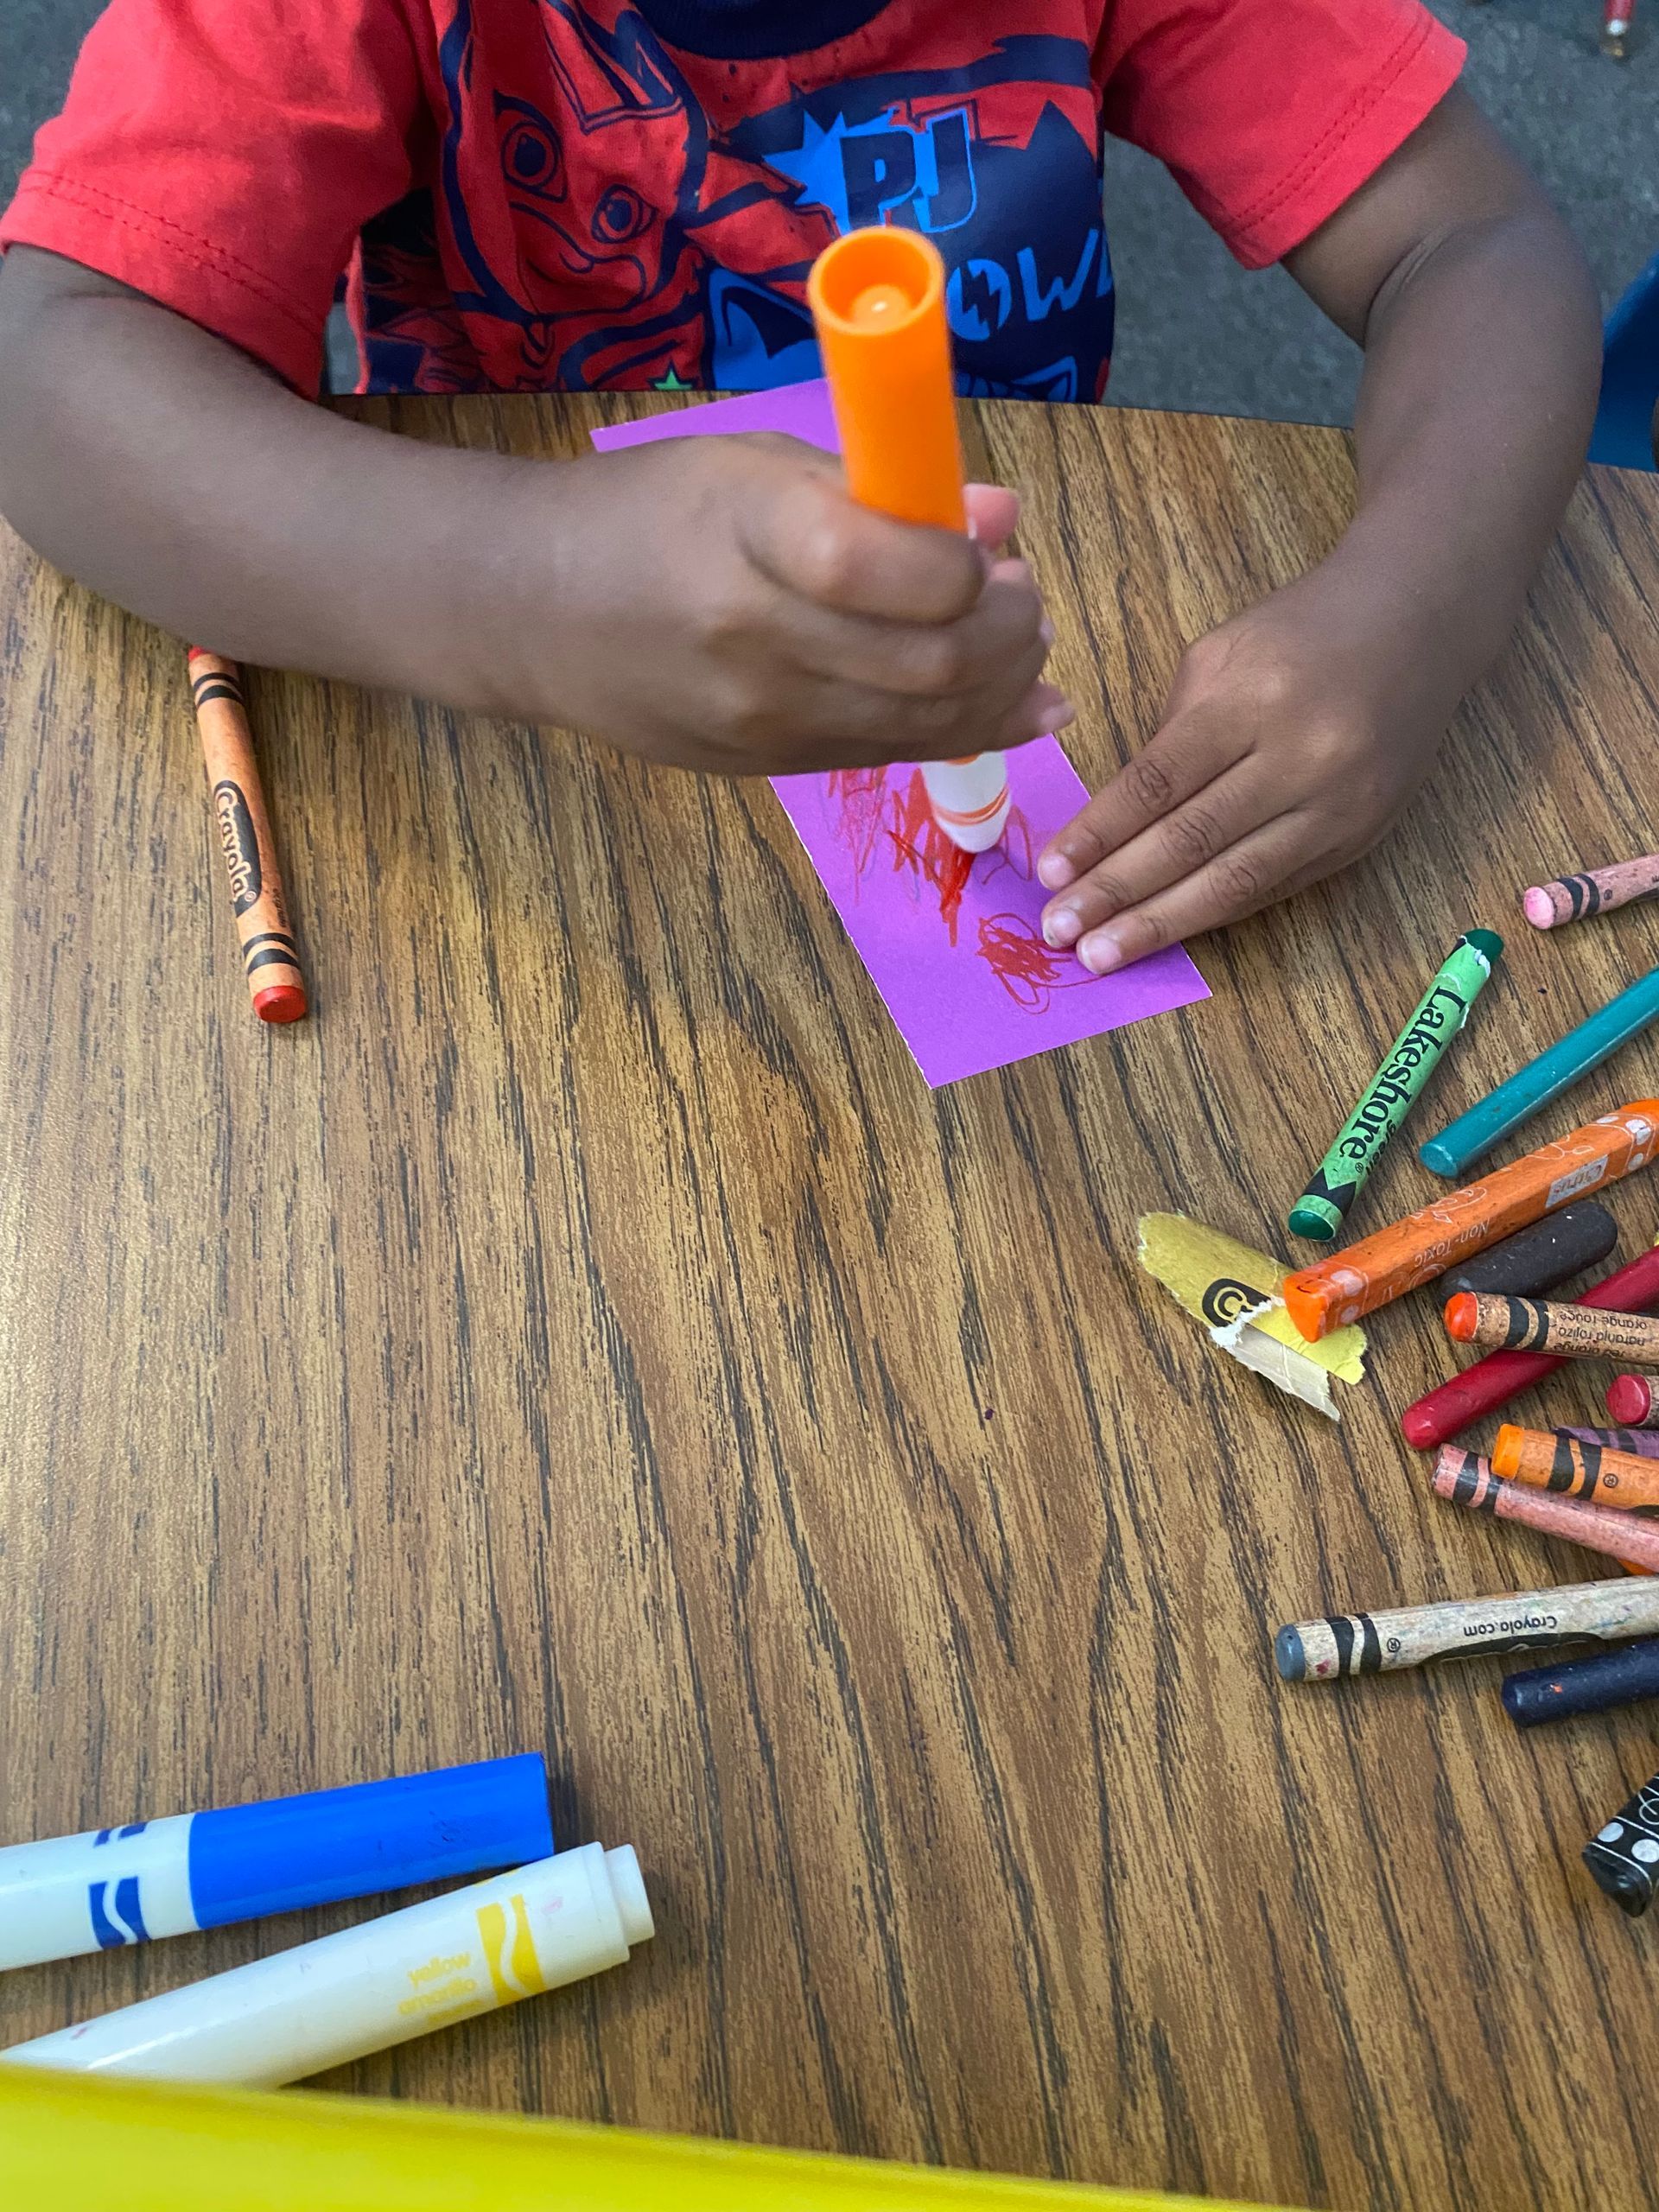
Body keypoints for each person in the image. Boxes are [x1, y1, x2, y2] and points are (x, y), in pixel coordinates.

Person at [0, 1, 1599, 974]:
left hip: (1030, 668)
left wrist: (1411, 611)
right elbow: (53, 361)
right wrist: (519, 589)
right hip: (523, 821)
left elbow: (1476, 244)